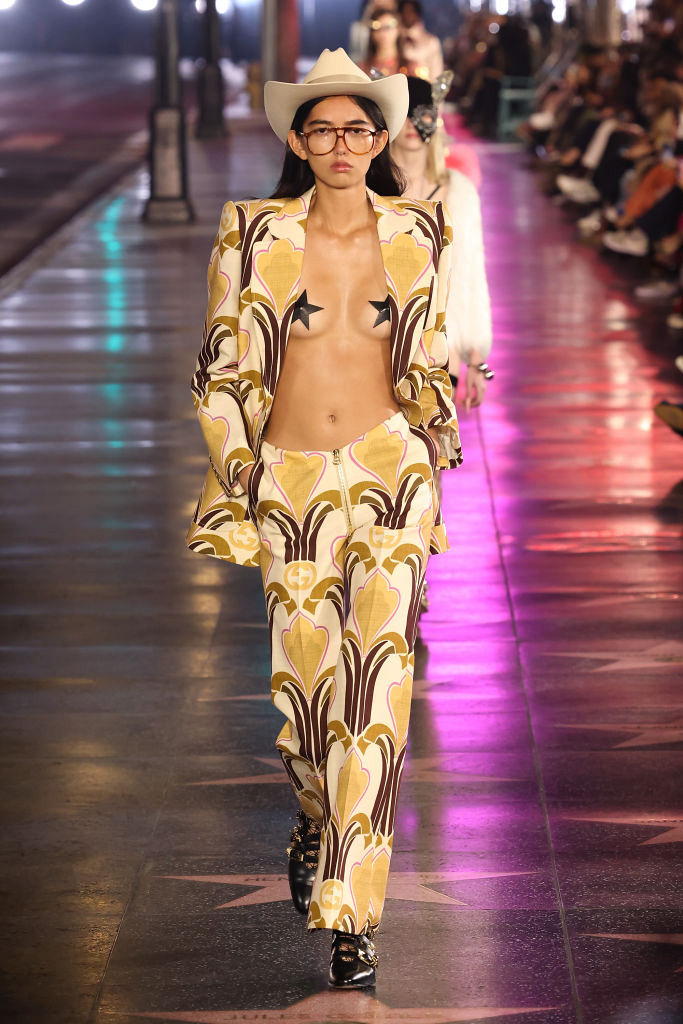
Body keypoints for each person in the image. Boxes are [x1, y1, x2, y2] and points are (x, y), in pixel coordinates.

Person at [187, 48, 461, 989]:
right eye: (323, 130)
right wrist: (242, 481)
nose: (342, 144)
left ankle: (353, 914)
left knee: (376, 696)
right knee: (306, 704)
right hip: (291, 478)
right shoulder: (251, 230)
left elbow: (426, 351)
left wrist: (434, 437)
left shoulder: (421, 230)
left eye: (358, 129)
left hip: (389, 472)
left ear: (381, 139)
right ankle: (315, 815)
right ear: (298, 142)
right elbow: (221, 366)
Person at [390, 74, 493, 408]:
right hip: (382, 346)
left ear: (435, 118)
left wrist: (476, 359)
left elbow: (470, 274)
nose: (411, 123)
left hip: (442, 350)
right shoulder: (368, 190)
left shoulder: (460, 191)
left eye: (421, 113)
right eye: (403, 113)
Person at [398, 0, 444, 81]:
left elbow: (436, 73)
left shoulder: (431, 42)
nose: (407, 15)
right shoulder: (395, 37)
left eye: (411, 12)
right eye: (404, 12)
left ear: (418, 14)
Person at [359, 6, 402, 78]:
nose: (382, 33)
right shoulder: (362, 69)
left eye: (388, 27)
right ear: (372, 33)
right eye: (377, 28)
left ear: (398, 29)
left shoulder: (411, 68)